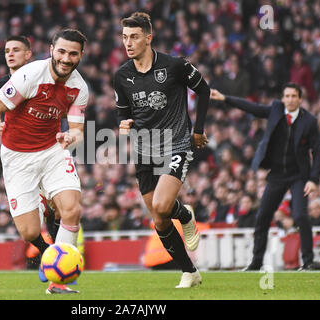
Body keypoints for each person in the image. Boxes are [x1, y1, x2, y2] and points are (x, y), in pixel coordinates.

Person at [0, 29, 88, 294]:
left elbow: (78, 130)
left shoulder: (79, 88)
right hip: (17, 157)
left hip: (52, 150)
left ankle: (59, 281)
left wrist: (70, 136)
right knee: (29, 232)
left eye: (73, 53)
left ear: (80, 56)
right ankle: (50, 244)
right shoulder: (28, 76)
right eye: (61, 51)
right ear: (51, 50)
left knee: (72, 210)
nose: (66, 58)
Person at [114, 12, 210, 288]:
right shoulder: (122, 76)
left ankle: (183, 214)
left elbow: (203, 90)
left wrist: (199, 130)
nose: (128, 43)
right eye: (124, 37)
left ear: (148, 37)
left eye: (133, 37)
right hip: (144, 150)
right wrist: (122, 125)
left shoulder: (175, 65)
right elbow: (122, 114)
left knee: (161, 205)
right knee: (159, 218)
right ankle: (189, 271)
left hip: (177, 142)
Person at [210, 83, 320, 271]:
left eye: (294, 96)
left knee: (301, 216)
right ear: (283, 98)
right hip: (277, 174)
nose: (290, 99)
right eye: (287, 96)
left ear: (300, 99)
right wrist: (225, 98)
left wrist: (313, 179)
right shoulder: (276, 110)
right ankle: (256, 262)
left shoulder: (309, 121)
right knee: (262, 216)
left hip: (298, 176)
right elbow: (252, 107)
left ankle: (308, 261)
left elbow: (318, 151)